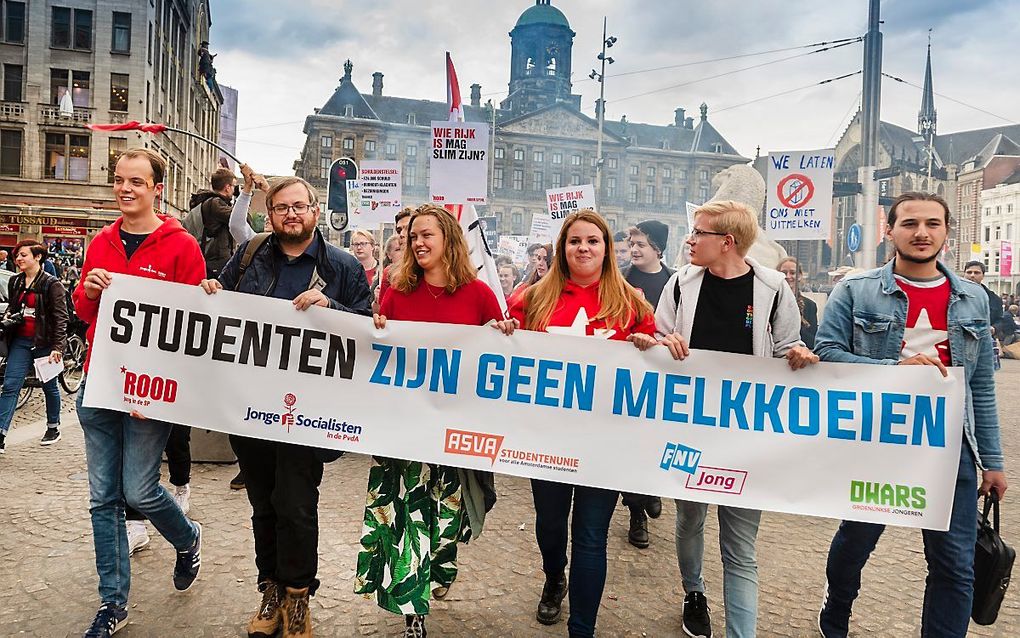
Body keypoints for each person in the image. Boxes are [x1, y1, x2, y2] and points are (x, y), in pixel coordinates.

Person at [816, 192, 1006, 638]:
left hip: (949, 446)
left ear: (946, 231)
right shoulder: (855, 290)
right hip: (877, 440)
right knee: (857, 541)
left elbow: (980, 385)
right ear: (890, 230)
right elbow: (826, 353)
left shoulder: (974, 298)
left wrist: (993, 461)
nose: (922, 233)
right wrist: (892, 369)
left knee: (955, 564)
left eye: (933, 224)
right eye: (911, 223)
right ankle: (836, 610)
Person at [202, 176, 372, 638]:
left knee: (296, 505)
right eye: (281, 208)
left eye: (299, 206)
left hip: (307, 412)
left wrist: (331, 305)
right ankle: (270, 588)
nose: (291, 214)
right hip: (251, 406)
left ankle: (298, 596)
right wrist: (210, 292)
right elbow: (220, 301)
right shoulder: (251, 255)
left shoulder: (342, 266)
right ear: (270, 214)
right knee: (263, 504)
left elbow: (369, 327)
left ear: (315, 210)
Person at [655, 200, 818, 638]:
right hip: (690, 428)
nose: (689, 240)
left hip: (747, 435)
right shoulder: (680, 283)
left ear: (727, 242)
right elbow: (657, 337)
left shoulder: (774, 286)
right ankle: (694, 592)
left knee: (741, 547)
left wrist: (798, 354)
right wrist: (657, 342)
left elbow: (787, 345)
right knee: (690, 521)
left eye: (698, 233)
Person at [505, 209, 657, 638]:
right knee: (550, 526)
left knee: (591, 536)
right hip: (546, 439)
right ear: (562, 248)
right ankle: (555, 576)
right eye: (575, 241)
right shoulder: (532, 299)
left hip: (604, 445)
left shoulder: (631, 304)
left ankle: (582, 630)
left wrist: (652, 343)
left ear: (607, 248)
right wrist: (505, 331)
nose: (584, 248)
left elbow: (657, 362)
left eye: (593, 240)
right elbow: (497, 345)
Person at [72, 148, 204, 637]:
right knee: (103, 497)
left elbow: (193, 328)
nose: (125, 189)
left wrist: (164, 393)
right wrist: (86, 291)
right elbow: (86, 316)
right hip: (99, 382)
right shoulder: (101, 242)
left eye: (137, 182)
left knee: (138, 489)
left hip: (151, 391)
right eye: (119, 181)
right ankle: (113, 602)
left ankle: (187, 537)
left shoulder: (180, 246)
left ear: (156, 188)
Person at [359, 204, 502, 638]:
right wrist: (377, 328)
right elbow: (380, 351)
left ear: (449, 242)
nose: (418, 243)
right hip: (405, 428)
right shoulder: (397, 292)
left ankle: (438, 569)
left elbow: (497, 361)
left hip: (455, 432)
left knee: (444, 520)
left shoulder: (478, 295)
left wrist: (503, 332)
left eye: (427, 235)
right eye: (413, 236)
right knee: (408, 517)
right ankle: (412, 611)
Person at [618, 220, 675, 548]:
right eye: (632, 243)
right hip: (627, 375)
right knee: (629, 446)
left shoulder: (675, 282)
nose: (634, 249)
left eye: (641, 244)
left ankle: (650, 490)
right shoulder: (621, 279)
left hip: (661, 377)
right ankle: (636, 511)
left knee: (655, 445)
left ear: (657, 248)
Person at [0, 241, 67, 454]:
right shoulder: (16, 281)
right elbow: (13, 305)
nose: (18, 259)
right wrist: (11, 315)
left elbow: (60, 317)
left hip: (44, 342)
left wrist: (58, 346)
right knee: (11, 385)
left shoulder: (51, 283)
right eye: (16, 256)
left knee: (49, 385)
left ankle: (53, 427)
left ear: (37, 257)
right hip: (21, 341)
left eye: (23, 255)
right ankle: (1, 434)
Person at [188, 167, 238, 278]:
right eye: (234, 186)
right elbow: (242, 219)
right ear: (227, 187)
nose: (235, 190)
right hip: (217, 260)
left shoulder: (208, 201)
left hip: (210, 258)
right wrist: (243, 199)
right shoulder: (216, 203)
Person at [777, 257, 819, 348]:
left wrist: (797, 320)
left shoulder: (810, 305)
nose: (788, 276)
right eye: (784, 273)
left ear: (799, 276)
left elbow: (813, 340)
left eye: (792, 273)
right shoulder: (771, 302)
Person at [377, 207, 414, 304]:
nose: (401, 234)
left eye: (408, 228)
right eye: (399, 230)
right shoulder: (390, 273)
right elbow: (382, 313)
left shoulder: (433, 268)